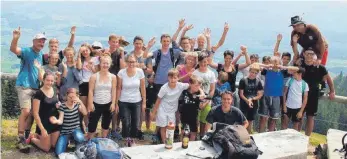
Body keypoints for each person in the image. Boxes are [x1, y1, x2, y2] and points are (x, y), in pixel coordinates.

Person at [10, 26, 46, 152]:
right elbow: (14, 49)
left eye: (43, 41)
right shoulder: (27, 51)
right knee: (26, 111)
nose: (42, 43)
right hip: (24, 85)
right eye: (39, 41)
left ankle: (25, 136)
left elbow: (39, 71)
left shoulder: (40, 54)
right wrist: (15, 38)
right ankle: (20, 137)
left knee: (31, 113)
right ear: (33, 41)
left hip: (35, 87)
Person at [150, 69, 203, 143]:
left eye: (175, 78)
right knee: (163, 127)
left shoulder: (181, 85)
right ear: (168, 78)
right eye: (171, 78)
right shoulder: (164, 88)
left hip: (172, 110)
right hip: (162, 109)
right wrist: (153, 113)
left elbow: (195, 85)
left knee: (171, 127)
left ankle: (169, 141)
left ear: (178, 78)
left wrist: (202, 93)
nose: (173, 80)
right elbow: (158, 101)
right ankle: (164, 142)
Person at [295, 48, 335, 136]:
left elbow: (328, 78)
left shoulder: (320, 67)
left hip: (313, 95)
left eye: (311, 54)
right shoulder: (299, 66)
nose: (309, 55)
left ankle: (307, 138)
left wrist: (332, 91)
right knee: (299, 117)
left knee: (310, 117)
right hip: (300, 94)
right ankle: (296, 137)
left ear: (314, 55)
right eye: (307, 53)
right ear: (304, 54)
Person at [258, 56, 299, 132]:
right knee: (263, 118)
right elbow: (255, 64)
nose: (275, 64)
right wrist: (266, 66)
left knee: (273, 119)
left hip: (276, 98)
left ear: (280, 63)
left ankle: (270, 135)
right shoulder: (266, 71)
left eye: (277, 62)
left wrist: (283, 67)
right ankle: (260, 134)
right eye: (273, 62)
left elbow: (297, 69)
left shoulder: (283, 72)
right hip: (266, 96)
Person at [116, 55, 146, 147]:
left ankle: (132, 139)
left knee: (136, 122)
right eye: (129, 61)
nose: (131, 64)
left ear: (136, 62)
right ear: (126, 62)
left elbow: (142, 87)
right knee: (125, 122)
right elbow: (119, 88)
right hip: (123, 101)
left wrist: (144, 101)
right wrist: (116, 103)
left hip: (136, 101)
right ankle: (126, 139)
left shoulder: (140, 72)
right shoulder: (121, 72)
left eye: (133, 62)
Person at [28, 73, 61, 152]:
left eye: (52, 81)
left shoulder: (55, 90)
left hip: (54, 121)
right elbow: (35, 113)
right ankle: (32, 138)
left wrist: (58, 106)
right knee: (46, 148)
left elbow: (56, 103)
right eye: (48, 80)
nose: (50, 83)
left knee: (53, 145)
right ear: (43, 80)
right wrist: (42, 129)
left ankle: (40, 137)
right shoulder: (38, 93)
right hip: (44, 123)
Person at [87, 55, 117, 139]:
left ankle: (104, 140)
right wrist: (90, 103)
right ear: (100, 64)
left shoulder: (113, 77)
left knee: (106, 124)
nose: (105, 65)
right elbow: (90, 91)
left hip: (108, 103)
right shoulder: (94, 76)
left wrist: (113, 103)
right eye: (103, 63)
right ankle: (90, 141)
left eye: (107, 63)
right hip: (96, 103)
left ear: (110, 64)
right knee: (92, 124)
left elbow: (114, 90)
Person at [55, 88, 87, 156]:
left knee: (80, 138)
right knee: (59, 153)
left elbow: (85, 113)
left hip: (75, 129)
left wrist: (80, 102)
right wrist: (57, 121)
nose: (72, 98)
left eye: (73, 97)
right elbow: (61, 119)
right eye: (70, 97)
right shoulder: (62, 106)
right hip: (65, 132)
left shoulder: (77, 104)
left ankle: (77, 143)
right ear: (66, 96)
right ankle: (68, 142)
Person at [76, 44, 100, 132]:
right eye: (83, 51)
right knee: (83, 106)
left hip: (93, 83)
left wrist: (91, 68)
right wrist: (78, 53)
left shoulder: (95, 59)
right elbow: (78, 67)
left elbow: (97, 72)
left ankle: (92, 127)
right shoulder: (80, 60)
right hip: (83, 84)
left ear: (90, 50)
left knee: (92, 106)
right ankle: (84, 126)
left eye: (87, 50)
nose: (85, 52)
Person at [106, 34, 126, 138]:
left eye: (116, 42)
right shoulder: (105, 53)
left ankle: (114, 129)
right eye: (113, 42)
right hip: (106, 82)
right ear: (109, 42)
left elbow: (122, 68)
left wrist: (122, 54)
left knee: (115, 106)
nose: (115, 44)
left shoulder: (119, 53)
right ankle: (106, 128)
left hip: (116, 82)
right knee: (106, 106)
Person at [193, 53, 217, 137]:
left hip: (207, 101)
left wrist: (206, 102)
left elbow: (212, 89)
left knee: (204, 121)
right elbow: (193, 88)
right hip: (196, 101)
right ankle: (194, 136)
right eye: (201, 62)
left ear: (207, 62)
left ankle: (201, 136)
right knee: (196, 120)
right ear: (198, 62)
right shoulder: (195, 73)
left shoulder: (211, 73)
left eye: (205, 62)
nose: (203, 64)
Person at [179, 75, 209, 141]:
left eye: (199, 85)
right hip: (184, 115)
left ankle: (191, 145)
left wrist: (201, 91)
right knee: (183, 132)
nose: (198, 87)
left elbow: (207, 98)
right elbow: (180, 103)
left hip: (194, 116)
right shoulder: (185, 92)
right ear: (190, 84)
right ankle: (180, 142)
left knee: (193, 132)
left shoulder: (199, 93)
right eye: (196, 85)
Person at [238, 63, 264, 133]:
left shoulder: (258, 81)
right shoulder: (243, 80)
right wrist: (247, 101)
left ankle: (249, 136)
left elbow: (260, 95)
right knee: (243, 121)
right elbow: (241, 94)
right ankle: (242, 135)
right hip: (244, 103)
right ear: (249, 71)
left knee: (250, 121)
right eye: (252, 72)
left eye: (255, 73)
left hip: (253, 104)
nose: (253, 74)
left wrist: (252, 99)